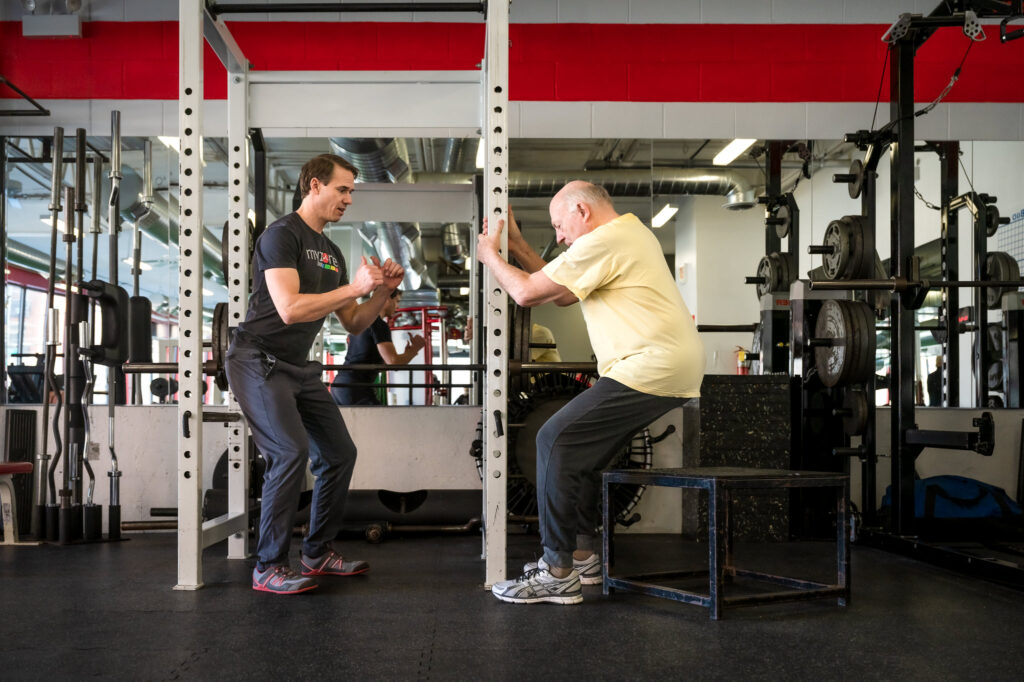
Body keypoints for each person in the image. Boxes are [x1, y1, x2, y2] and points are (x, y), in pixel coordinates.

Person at [476, 183, 706, 605]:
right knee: (579, 456)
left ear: (582, 210)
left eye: (560, 226)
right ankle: (581, 559)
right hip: (661, 367)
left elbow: (526, 292)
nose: (561, 236)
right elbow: (562, 293)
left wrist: (489, 252)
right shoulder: (626, 234)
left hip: (649, 367)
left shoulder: (608, 238)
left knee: (552, 438)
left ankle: (556, 571)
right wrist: (520, 247)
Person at [225, 153, 405, 595]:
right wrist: (356, 287)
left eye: (351, 192)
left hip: (299, 367)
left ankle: (317, 552)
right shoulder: (280, 236)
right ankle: (268, 565)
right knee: (289, 453)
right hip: (258, 359)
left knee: (340, 453)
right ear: (314, 186)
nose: (348, 199)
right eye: (342, 189)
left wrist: (382, 291)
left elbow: (355, 323)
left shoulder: (330, 252)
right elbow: (288, 309)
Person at [330, 289, 426, 405]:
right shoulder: (379, 324)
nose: (397, 306)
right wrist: (415, 348)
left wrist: (407, 353)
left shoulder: (361, 322)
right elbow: (393, 363)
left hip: (341, 385)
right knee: (381, 421)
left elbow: (371, 360)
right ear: (386, 299)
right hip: (356, 387)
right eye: (396, 301)